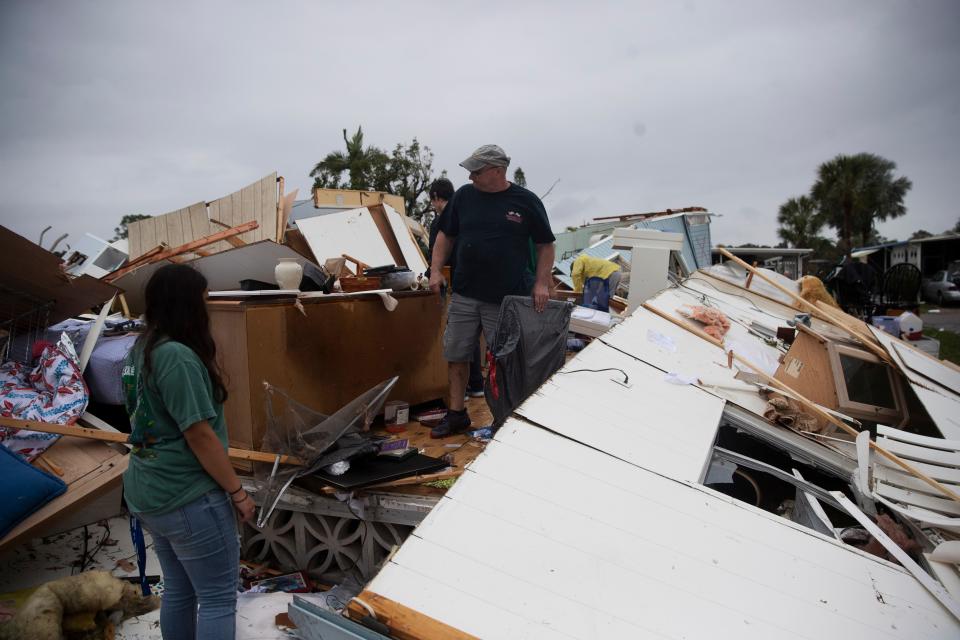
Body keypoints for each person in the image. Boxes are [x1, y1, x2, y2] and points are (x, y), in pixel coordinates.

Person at [122, 264, 254, 640]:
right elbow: (199, 435)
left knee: (180, 590)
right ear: (186, 304)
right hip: (187, 496)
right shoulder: (176, 356)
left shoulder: (140, 349)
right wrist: (237, 492)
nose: (206, 305)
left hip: (150, 491)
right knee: (216, 597)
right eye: (203, 298)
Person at [428, 144, 556, 437]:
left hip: (505, 298)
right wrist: (435, 270)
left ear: (497, 170)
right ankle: (457, 414)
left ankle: (502, 418)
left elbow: (545, 245)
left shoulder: (525, 201)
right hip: (465, 293)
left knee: (503, 360)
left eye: (477, 171)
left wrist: (541, 282)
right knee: (457, 354)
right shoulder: (463, 197)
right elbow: (446, 235)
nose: (471, 176)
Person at [427, 178, 485, 398]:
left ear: (435, 197)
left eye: (432, 201)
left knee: (458, 337)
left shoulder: (443, 220)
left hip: (453, 283)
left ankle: (464, 388)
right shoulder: (467, 214)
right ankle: (477, 383)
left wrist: (433, 271)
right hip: (473, 280)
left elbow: (436, 253)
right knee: (471, 334)